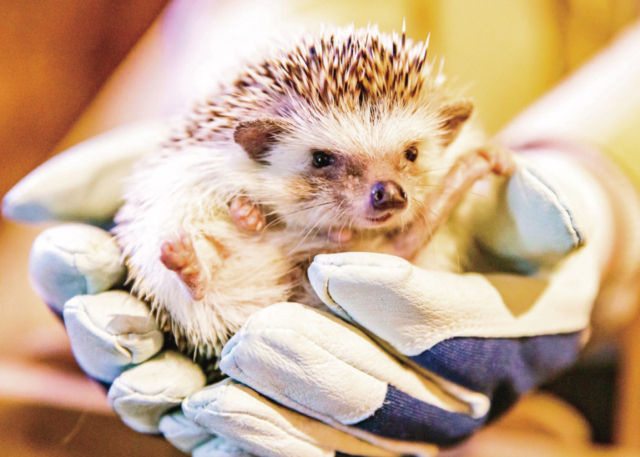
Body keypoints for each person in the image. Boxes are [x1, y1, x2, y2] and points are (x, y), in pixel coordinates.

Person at [5, 13, 640, 457]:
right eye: (324, 162)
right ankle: (206, 265)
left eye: (410, 158)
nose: (383, 191)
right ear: (258, 147)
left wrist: (605, 176)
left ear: (444, 134)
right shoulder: (228, 168)